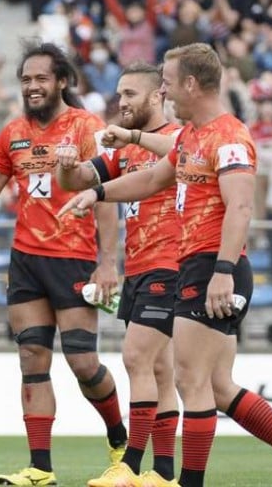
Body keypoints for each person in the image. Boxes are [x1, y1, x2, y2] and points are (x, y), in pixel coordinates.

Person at [61, 43, 272, 487]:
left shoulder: (229, 136)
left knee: (190, 380)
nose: (163, 90)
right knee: (218, 386)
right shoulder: (191, 137)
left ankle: (180, 480)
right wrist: (98, 192)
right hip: (199, 266)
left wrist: (223, 271)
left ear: (191, 83)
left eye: (167, 81)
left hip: (212, 266)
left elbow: (241, 207)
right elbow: (151, 178)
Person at [0, 42, 126, 487]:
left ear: (63, 82)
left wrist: (108, 263)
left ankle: (119, 438)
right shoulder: (12, 133)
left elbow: (106, 201)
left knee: (83, 363)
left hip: (74, 261)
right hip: (27, 262)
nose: (33, 87)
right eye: (26, 80)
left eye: (41, 79)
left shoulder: (87, 128)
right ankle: (40, 467)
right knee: (32, 358)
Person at [53, 63, 181, 487]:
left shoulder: (183, 139)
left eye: (130, 94)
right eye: (119, 93)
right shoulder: (123, 151)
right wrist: (67, 164)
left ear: (157, 95)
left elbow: (183, 155)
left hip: (172, 260)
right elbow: (80, 180)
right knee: (159, 369)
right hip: (140, 266)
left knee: (135, 357)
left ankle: (128, 465)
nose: (121, 102)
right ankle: (162, 474)